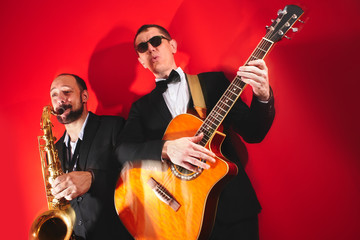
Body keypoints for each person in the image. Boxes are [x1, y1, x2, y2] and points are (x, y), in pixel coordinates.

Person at [118, 24, 275, 239]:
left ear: (172, 45)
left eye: (156, 41)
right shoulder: (141, 108)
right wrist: (167, 148)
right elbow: (123, 150)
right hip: (182, 218)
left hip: (232, 210)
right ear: (141, 60)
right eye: (143, 47)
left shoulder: (213, 83)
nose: (151, 49)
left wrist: (263, 95)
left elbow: (254, 132)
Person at [49, 73, 133, 239]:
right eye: (54, 94)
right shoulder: (55, 149)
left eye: (66, 92)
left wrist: (93, 178)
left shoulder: (113, 126)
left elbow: (136, 175)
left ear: (84, 96)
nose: (60, 99)